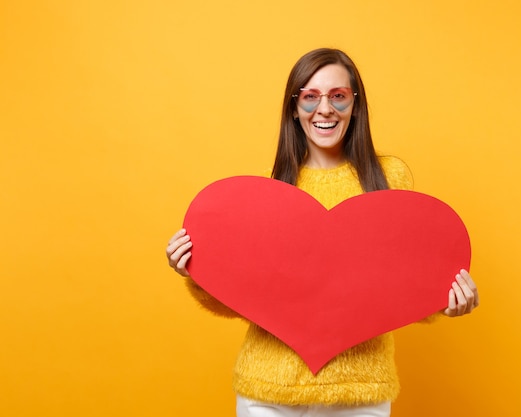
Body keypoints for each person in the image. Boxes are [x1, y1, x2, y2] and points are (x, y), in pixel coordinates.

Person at [166, 48, 479, 417]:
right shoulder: (271, 190)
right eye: (310, 97)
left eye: (338, 96)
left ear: (355, 105)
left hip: (360, 394)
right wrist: (196, 271)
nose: (325, 109)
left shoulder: (389, 181)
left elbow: (402, 284)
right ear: (294, 108)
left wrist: (447, 299)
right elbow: (244, 297)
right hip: (267, 393)